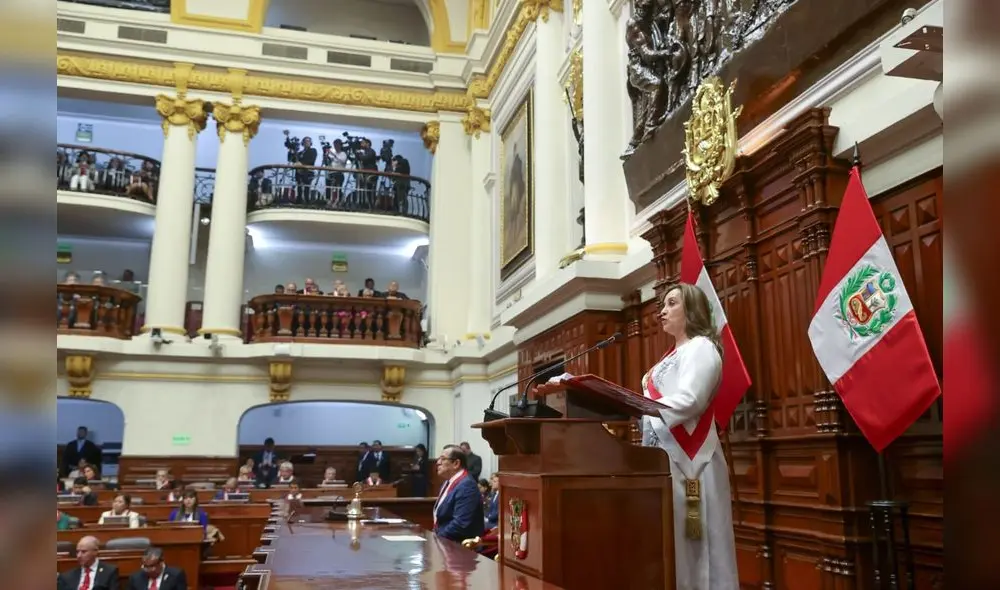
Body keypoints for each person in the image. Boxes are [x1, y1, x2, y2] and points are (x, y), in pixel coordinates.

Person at [641, 282, 738, 590]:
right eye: (663, 305)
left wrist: (640, 405)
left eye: (672, 304)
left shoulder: (702, 348)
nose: (662, 311)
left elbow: (691, 400)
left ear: (692, 309)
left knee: (699, 548)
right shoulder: (671, 355)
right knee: (675, 549)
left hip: (692, 463)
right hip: (664, 463)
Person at [432, 445, 484, 542]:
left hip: (458, 547)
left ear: (456, 463)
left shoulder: (467, 486)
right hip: (445, 541)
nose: (438, 462)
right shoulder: (447, 482)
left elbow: (460, 524)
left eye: (443, 459)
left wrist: (437, 538)